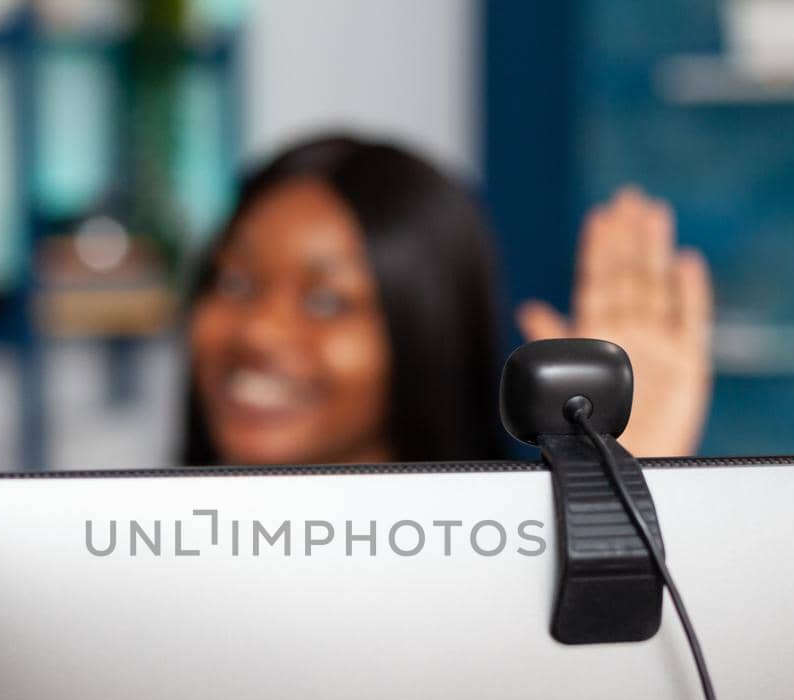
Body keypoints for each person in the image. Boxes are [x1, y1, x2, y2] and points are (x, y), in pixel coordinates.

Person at [183, 135, 712, 466]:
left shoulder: (509, 562)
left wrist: (624, 478)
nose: (258, 332)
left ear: (430, 332)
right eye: (236, 284)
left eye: (327, 302)